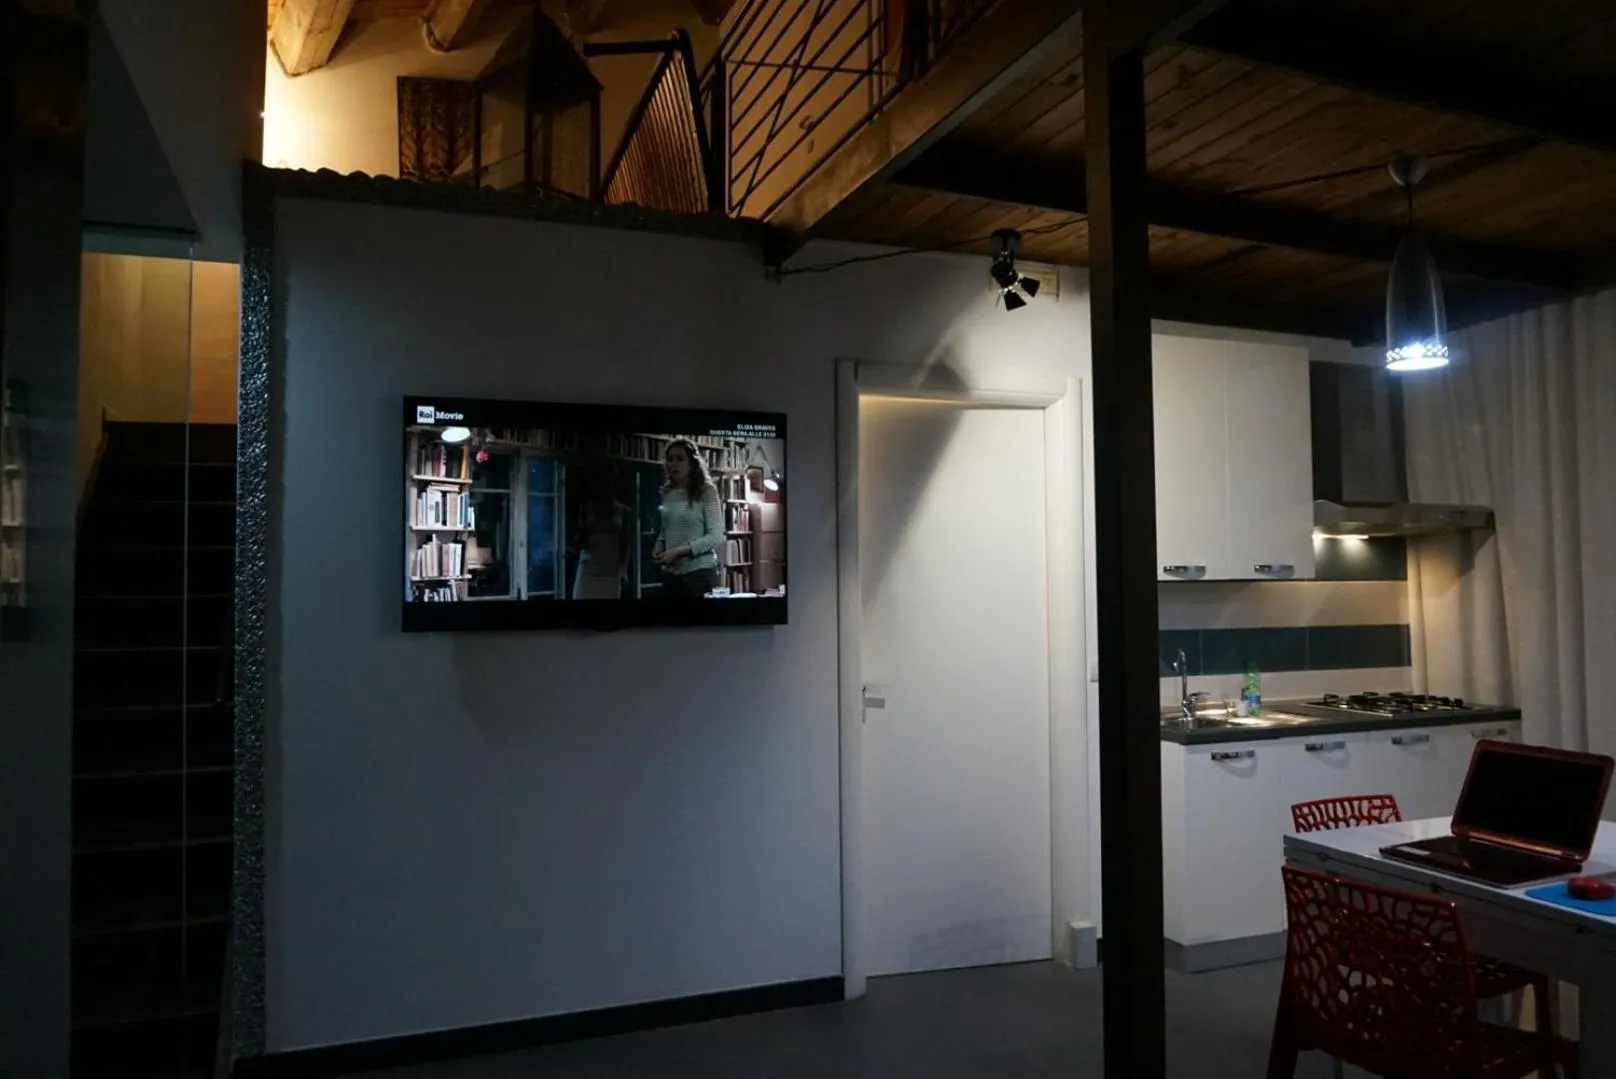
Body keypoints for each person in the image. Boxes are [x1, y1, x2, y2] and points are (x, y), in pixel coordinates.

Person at [653, 438, 722, 598]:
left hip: (699, 575)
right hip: (671, 575)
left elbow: (716, 536)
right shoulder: (667, 493)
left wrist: (680, 551)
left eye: (679, 459)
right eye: (670, 459)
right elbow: (665, 531)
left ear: (692, 463)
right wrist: (659, 545)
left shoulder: (706, 491)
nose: (673, 464)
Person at [570, 467, 631, 600]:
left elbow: (626, 544)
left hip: (611, 571)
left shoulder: (624, 511)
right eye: (603, 482)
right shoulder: (586, 508)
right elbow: (579, 540)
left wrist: (624, 570)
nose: (607, 486)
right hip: (588, 568)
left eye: (610, 482)